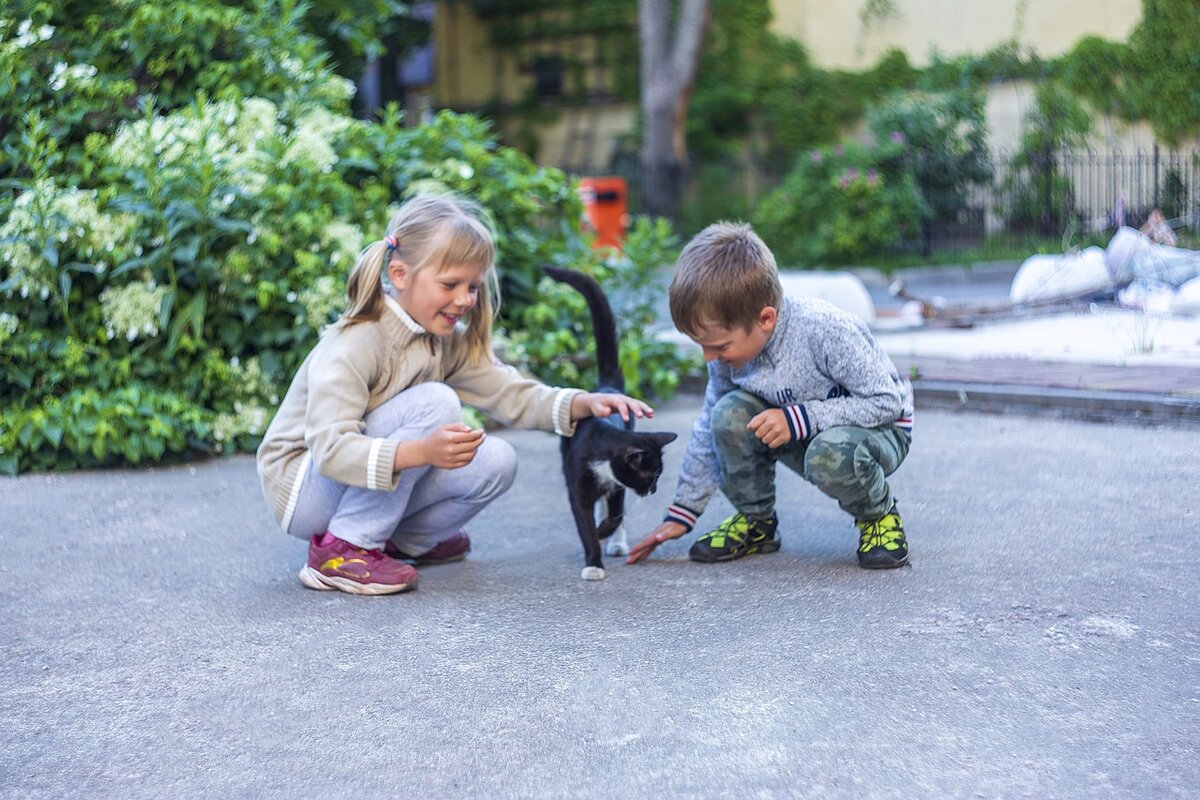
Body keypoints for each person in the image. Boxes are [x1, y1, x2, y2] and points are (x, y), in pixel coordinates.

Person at [257, 194, 652, 595]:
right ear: (399, 274)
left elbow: (507, 392)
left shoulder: (443, 339)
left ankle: (403, 542)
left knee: (498, 461)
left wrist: (581, 403)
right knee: (438, 401)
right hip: (304, 488)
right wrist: (421, 452)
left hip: (349, 484)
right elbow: (329, 449)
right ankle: (345, 548)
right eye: (450, 285)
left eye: (473, 287)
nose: (464, 299)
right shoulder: (356, 342)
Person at [626, 221, 913, 569]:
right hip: (803, 426)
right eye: (701, 346)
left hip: (879, 429)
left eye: (717, 346)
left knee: (829, 452)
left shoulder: (825, 330)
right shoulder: (729, 355)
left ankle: (878, 517)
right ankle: (756, 523)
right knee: (728, 413)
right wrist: (684, 510)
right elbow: (708, 426)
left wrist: (799, 420)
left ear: (765, 318)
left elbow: (885, 403)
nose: (707, 357)